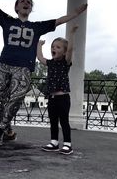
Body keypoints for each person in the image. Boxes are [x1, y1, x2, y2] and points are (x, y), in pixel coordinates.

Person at [0, 0, 87, 146]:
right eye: (22, 1)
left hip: (23, 67)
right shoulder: (7, 20)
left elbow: (59, 21)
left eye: (29, 2)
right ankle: (8, 129)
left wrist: (75, 13)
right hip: (4, 64)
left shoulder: (37, 26)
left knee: (16, 98)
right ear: (16, 7)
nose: (26, 3)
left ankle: (0, 130)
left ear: (31, 9)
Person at [37, 24, 79, 155]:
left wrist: (71, 34)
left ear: (64, 51)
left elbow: (71, 49)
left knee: (64, 121)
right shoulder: (51, 63)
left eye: (58, 47)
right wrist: (39, 45)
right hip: (52, 98)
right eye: (53, 47)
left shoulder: (65, 62)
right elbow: (40, 58)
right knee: (53, 120)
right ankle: (54, 142)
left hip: (63, 98)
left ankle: (67, 144)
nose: (54, 48)